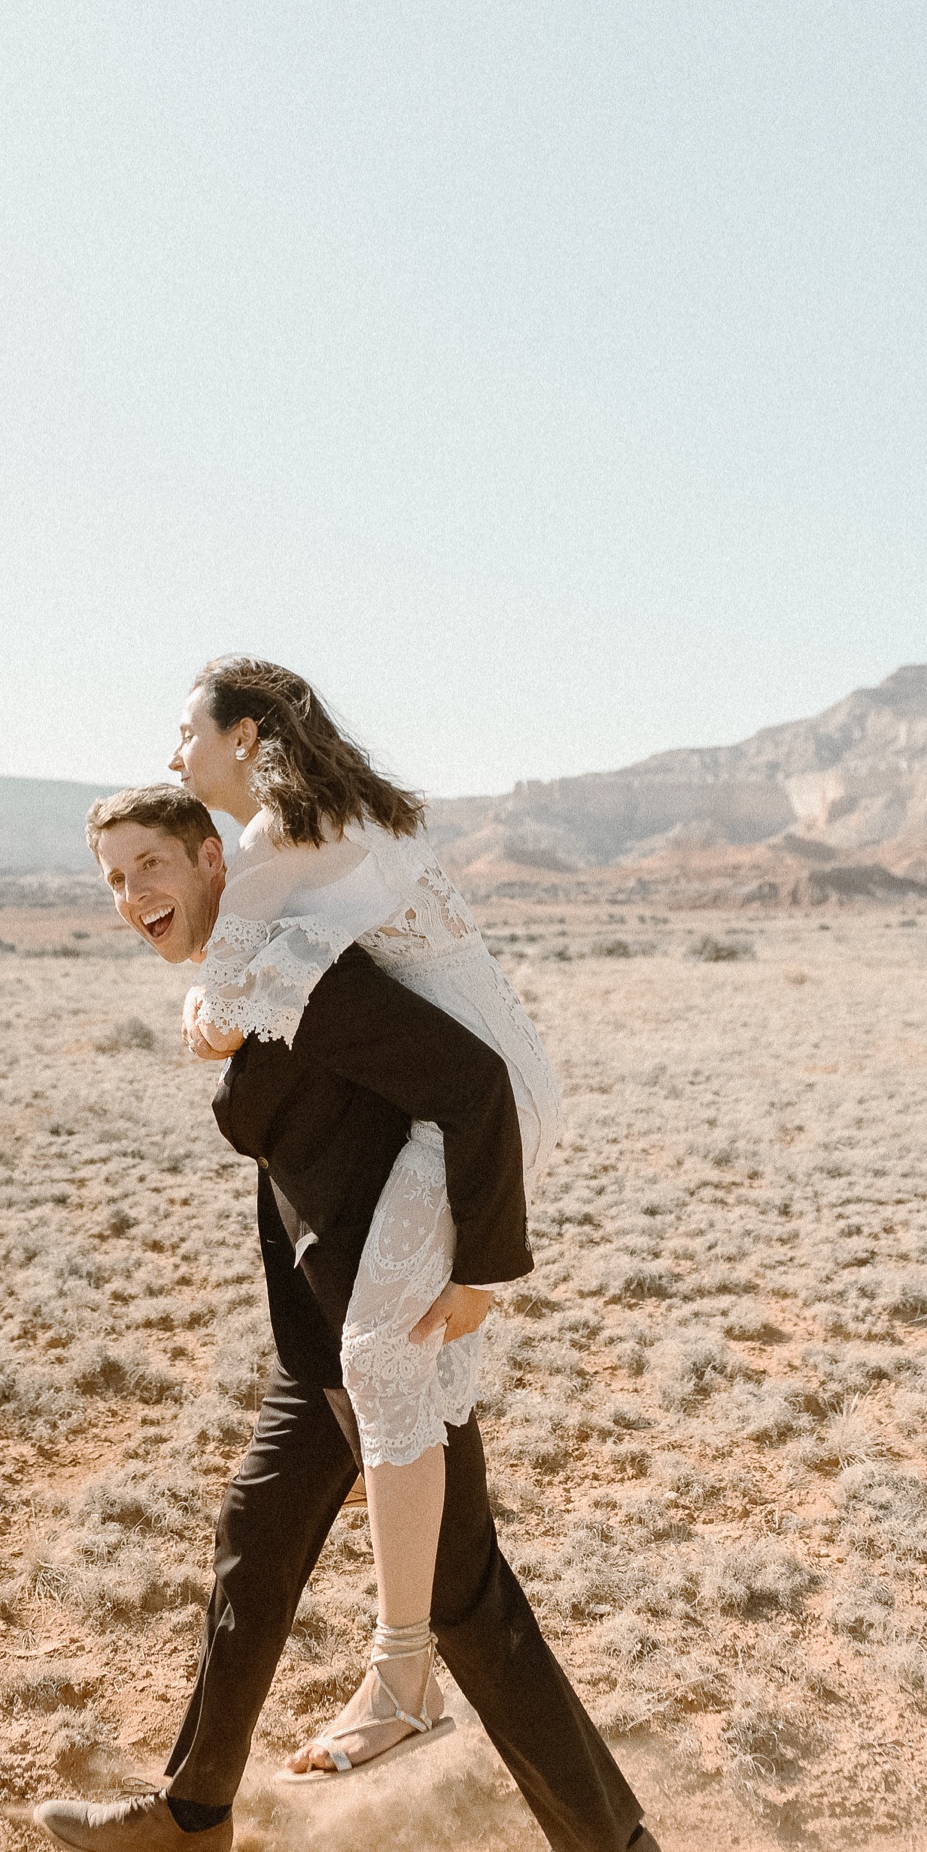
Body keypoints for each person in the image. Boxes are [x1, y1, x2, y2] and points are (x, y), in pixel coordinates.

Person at [12, 785, 670, 1852]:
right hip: (321, 1329)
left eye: (154, 864)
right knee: (256, 1540)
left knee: (458, 1587)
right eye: (114, 879)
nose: (135, 897)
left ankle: (604, 1850)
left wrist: (477, 1273)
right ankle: (197, 1806)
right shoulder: (246, 976)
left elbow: (470, 1087)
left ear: (217, 857)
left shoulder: (303, 970)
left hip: (391, 1324)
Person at [169, 657, 562, 1780]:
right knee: (397, 1372)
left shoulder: (272, 844)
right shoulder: (343, 818)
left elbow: (216, 1013)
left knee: (381, 1355)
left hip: (475, 1109)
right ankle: (411, 1673)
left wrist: (217, 994)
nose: (173, 755)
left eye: (185, 730)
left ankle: (403, 1679)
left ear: (245, 735)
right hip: (497, 1090)